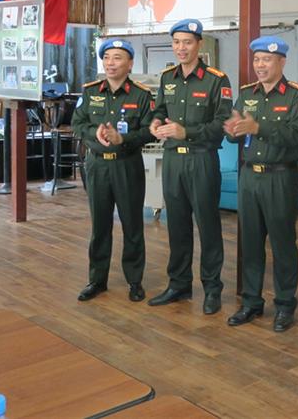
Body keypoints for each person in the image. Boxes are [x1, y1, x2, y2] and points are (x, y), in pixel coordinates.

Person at [224, 35, 298, 332]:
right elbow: (233, 133)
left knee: (283, 243)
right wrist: (232, 129)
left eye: (267, 60)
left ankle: (285, 305)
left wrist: (258, 127)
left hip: (279, 176)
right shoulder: (247, 93)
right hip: (249, 176)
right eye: (257, 60)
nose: (260, 65)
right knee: (250, 242)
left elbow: (294, 135)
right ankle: (251, 302)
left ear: (282, 62)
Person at [147, 19, 232, 314]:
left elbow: (221, 124)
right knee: (177, 225)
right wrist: (155, 123)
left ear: (198, 44)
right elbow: (158, 110)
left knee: (208, 225)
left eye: (187, 42)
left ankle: (212, 288)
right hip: (173, 160)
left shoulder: (216, 79)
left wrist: (188, 132)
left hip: (201, 159)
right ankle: (179, 284)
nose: (180, 48)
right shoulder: (167, 77)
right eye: (176, 42)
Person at [71, 39, 155, 302]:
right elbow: (77, 123)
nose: (110, 63)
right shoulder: (90, 92)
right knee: (100, 224)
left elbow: (148, 131)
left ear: (130, 63)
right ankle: (97, 280)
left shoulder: (141, 95)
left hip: (127, 165)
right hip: (97, 165)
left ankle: (134, 280)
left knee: (132, 224)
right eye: (107, 57)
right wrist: (92, 133)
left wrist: (124, 139)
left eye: (117, 58)